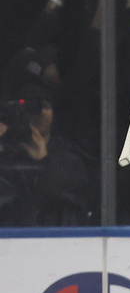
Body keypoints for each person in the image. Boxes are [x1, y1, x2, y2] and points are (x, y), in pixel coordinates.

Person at [0, 82, 91, 226]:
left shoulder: (68, 158)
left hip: (54, 237)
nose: (41, 113)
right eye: (33, 109)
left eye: (46, 107)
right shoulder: (8, 152)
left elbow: (67, 203)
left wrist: (45, 160)